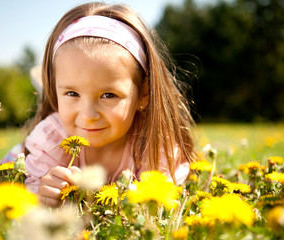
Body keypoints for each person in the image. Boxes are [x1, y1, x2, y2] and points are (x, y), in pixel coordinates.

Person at [25, 2, 196, 207]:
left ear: (143, 95)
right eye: (72, 93)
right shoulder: (50, 139)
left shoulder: (154, 143)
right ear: (54, 89)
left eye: (108, 95)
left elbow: (164, 201)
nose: (88, 115)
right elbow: (31, 198)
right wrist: (44, 195)